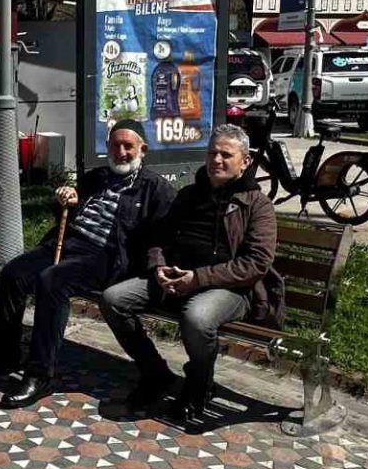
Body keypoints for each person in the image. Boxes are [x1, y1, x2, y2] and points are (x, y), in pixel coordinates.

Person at [0, 120, 177, 411]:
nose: (121, 152)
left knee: (52, 281)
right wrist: (63, 201)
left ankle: (40, 375)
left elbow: (163, 235)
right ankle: (5, 355)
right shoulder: (96, 178)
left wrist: (155, 266)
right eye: (115, 145)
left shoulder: (155, 188)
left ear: (142, 149)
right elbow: (66, 215)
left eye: (128, 146)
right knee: (13, 274)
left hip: (106, 256)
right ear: (107, 147)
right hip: (68, 242)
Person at [99, 124, 282, 426]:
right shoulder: (189, 195)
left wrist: (198, 278)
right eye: (212, 153)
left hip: (230, 288)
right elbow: (159, 238)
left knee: (197, 318)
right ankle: (155, 372)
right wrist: (159, 267)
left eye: (226, 155)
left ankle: (199, 384)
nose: (216, 160)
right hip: (175, 278)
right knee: (113, 299)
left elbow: (255, 264)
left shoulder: (257, 205)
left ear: (245, 161)